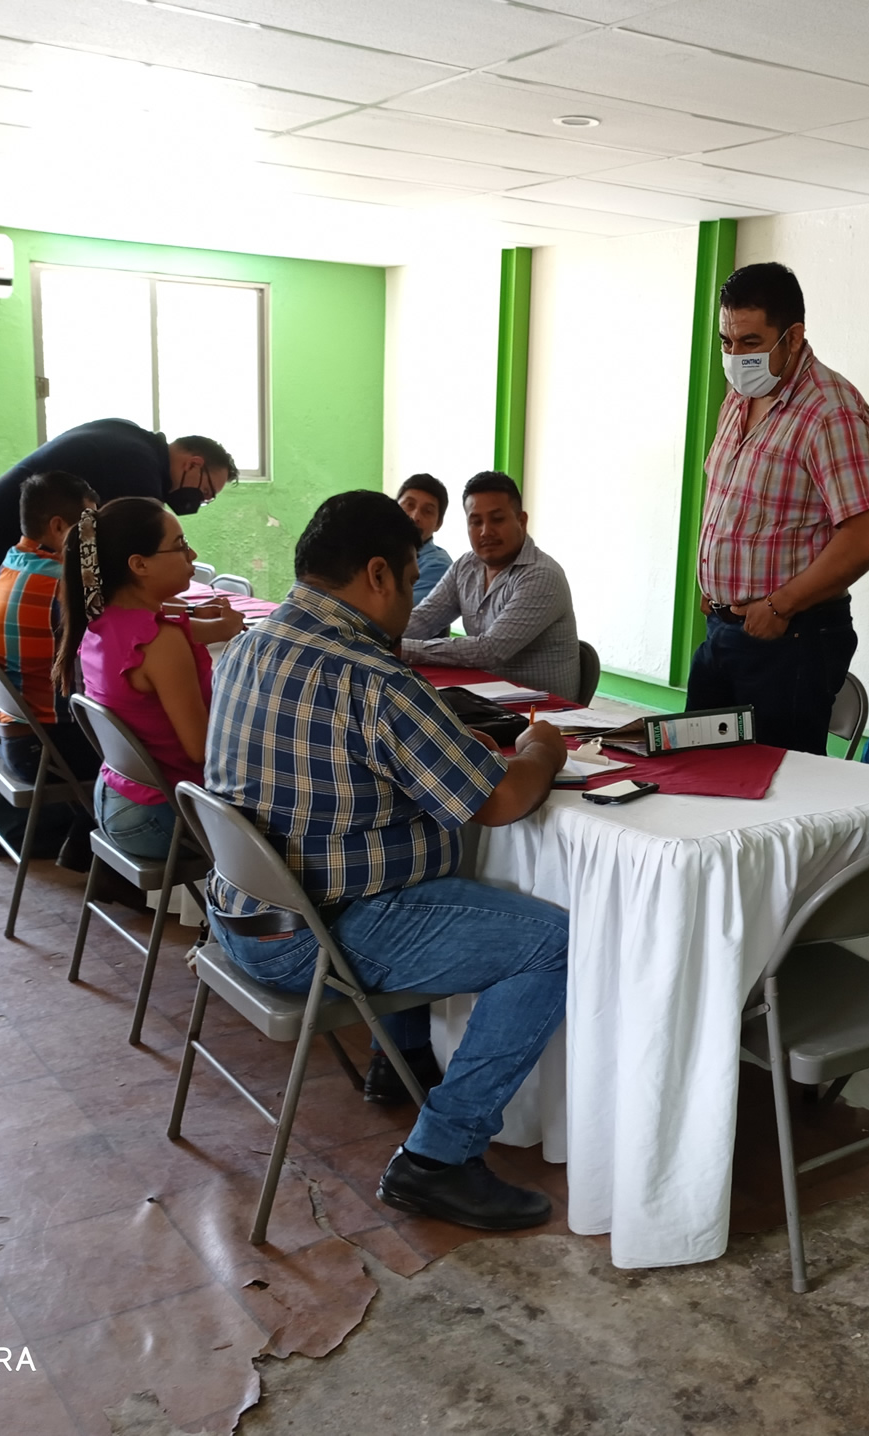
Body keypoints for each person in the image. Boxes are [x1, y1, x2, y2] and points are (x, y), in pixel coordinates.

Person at [205, 490, 570, 1231]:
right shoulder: (372, 679)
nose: (410, 600)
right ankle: (438, 1159)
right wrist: (542, 748)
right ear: (377, 574)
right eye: (408, 580)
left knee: (415, 869)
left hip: (240, 918)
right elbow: (500, 801)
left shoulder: (247, 646)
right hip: (313, 940)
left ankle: (396, 1060)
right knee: (552, 942)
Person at [0, 419, 234, 835]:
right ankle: (6, 823)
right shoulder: (137, 471)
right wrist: (197, 626)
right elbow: (199, 746)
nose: (191, 553)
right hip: (71, 759)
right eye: (206, 492)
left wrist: (179, 615)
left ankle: (33, 824)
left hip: (102, 781)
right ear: (193, 463)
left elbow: (127, 590)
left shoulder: (84, 607)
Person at [690, 262, 869, 754]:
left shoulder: (830, 411)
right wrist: (717, 587)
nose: (735, 357)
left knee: (774, 788)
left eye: (751, 342)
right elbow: (734, 501)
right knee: (696, 773)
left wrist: (780, 604)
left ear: (794, 336)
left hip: (790, 636)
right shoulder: (740, 399)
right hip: (724, 630)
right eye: (726, 342)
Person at [54, 497, 242, 863]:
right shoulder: (160, 642)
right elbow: (201, 750)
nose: (192, 554)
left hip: (116, 798)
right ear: (139, 564)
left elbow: (179, 626)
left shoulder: (102, 619)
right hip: (157, 817)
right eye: (180, 545)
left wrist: (216, 624)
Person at [0, 470, 101, 867]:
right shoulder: (60, 584)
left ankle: (87, 845)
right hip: (45, 750)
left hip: (11, 733)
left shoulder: (13, 562)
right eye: (90, 527)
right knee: (148, 747)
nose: (95, 539)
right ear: (58, 527)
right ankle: (97, 854)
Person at [401, 471, 579, 699]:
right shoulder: (465, 566)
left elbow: (490, 650)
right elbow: (424, 619)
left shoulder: (541, 575)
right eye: (476, 522)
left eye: (497, 519)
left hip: (542, 712)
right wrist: (376, 637)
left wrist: (401, 648)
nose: (486, 531)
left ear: (522, 521)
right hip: (485, 699)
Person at [397, 472, 453, 604]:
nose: (415, 517)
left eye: (427, 511)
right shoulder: (376, 548)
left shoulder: (437, 567)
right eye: (409, 505)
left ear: (438, 524)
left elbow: (398, 612)